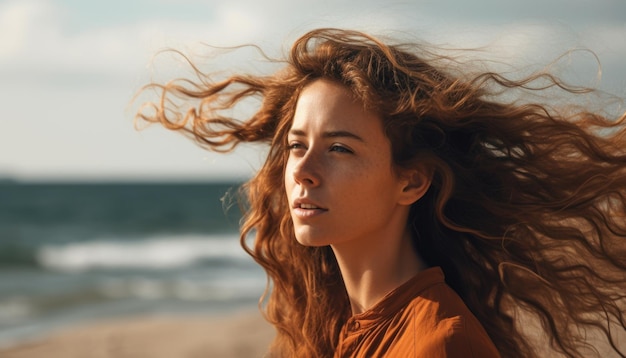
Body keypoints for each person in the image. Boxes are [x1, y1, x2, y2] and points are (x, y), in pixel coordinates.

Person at [136, 28, 626, 358]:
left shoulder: (440, 342)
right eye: (296, 145)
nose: (302, 171)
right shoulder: (334, 329)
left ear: (411, 181)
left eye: (340, 149)